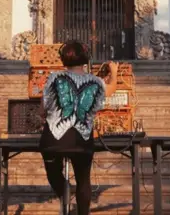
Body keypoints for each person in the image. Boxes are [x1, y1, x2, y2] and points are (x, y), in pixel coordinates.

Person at [39, 41, 118, 215]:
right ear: (86, 59)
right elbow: (111, 89)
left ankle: (63, 191)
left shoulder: (54, 77)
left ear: (63, 59)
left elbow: (43, 108)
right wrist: (114, 73)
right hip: (81, 141)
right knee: (84, 180)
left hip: (54, 141)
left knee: (52, 171)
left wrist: (46, 115)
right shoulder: (95, 81)